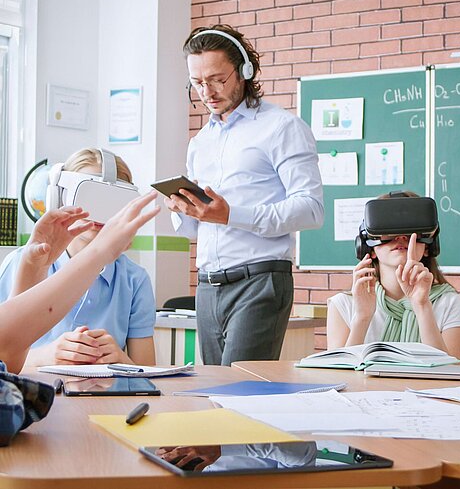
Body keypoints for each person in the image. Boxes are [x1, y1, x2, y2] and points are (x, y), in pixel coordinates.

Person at [166, 24, 323, 366]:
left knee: (238, 387)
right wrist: (184, 209)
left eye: (217, 79)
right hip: (207, 286)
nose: (207, 92)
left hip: (260, 280)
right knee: (212, 388)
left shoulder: (281, 127)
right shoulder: (201, 142)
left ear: (245, 71)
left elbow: (311, 209)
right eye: (197, 82)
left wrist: (231, 215)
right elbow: (197, 229)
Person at [0, 149, 156, 368]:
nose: (100, 213)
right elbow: (5, 357)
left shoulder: (134, 279)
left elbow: (147, 370)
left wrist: (121, 360)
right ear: (60, 197)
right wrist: (47, 356)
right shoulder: (23, 262)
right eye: (90, 197)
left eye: (112, 202)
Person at [326, 193, 460, 360]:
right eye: (388, 230)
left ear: (429, 246)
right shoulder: (344, 304)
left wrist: (422, 307)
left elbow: (450, 371)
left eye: (412, 231)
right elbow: (336, 371)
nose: (401, 238)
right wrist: (362, 317)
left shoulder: (448, 302)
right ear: (369, 247)